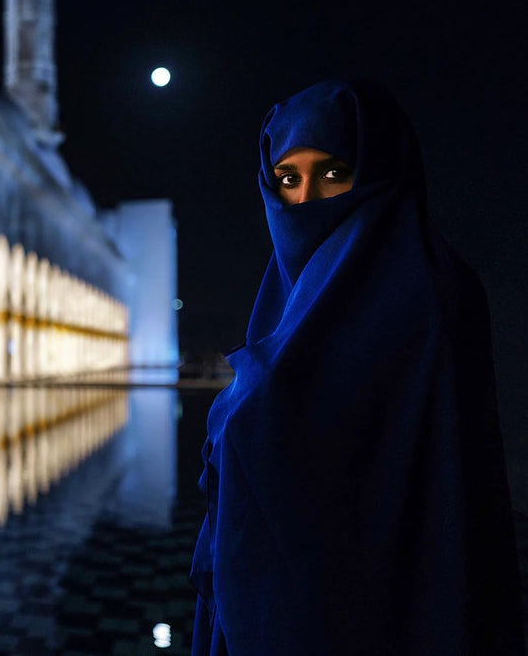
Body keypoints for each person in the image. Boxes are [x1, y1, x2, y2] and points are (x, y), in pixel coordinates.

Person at [190, 80, 524, 655]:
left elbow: (434, 507)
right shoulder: (289, 299)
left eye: (334, 173)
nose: (308, 201)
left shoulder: (430, 297)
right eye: (288, 178)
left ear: (379, 173)